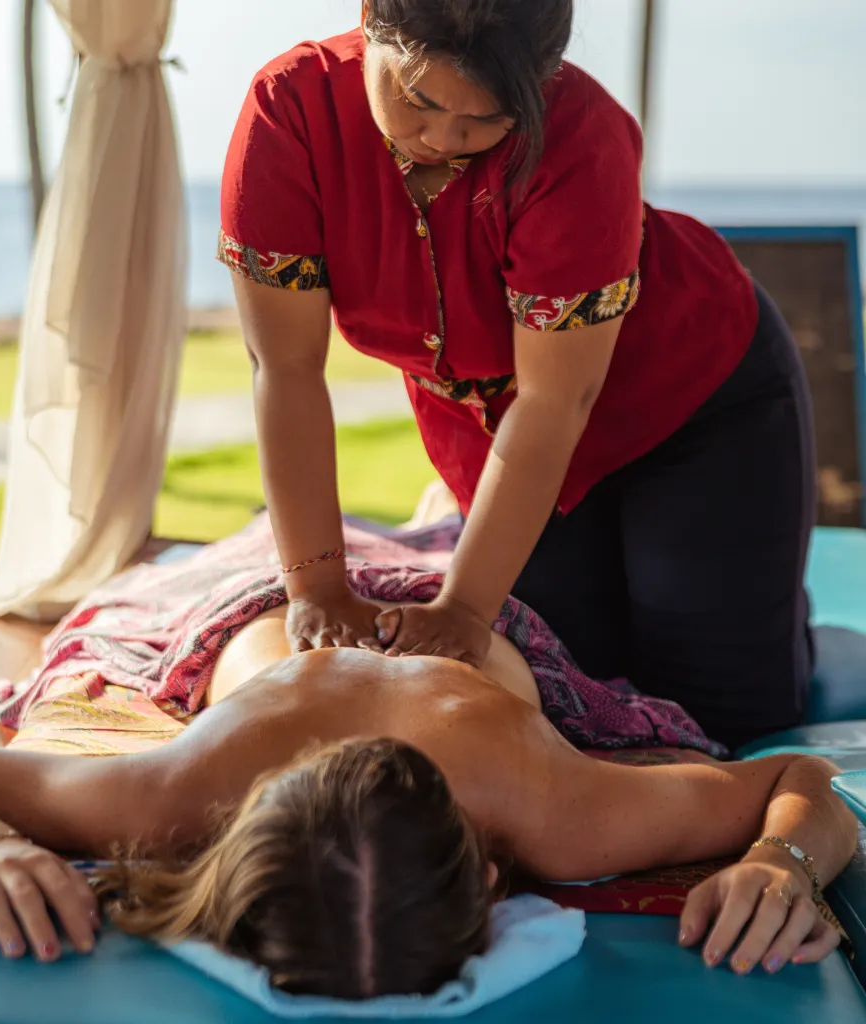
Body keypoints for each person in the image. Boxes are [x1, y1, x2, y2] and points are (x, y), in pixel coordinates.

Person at [217, 0, 816, 752]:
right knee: (567, 681)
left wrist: (465, 608)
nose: (443, 139)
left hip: (694, 405)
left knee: (723, 712)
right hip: (496, 430)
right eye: (419, 101)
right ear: (369, 17)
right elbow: (287, 366)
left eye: (487, 120)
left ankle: (769, 604)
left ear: (542, 80)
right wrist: (317, 586)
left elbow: (557, 398)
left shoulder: (582, 132)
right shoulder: (290, 110)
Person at [0, 594, 855, 994]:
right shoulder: (174, 794)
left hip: (442, 619)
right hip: (271, 611)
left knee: (430, 546)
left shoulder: (560, 812)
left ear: (498, 880)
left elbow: (801, 779)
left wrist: (785, 862)